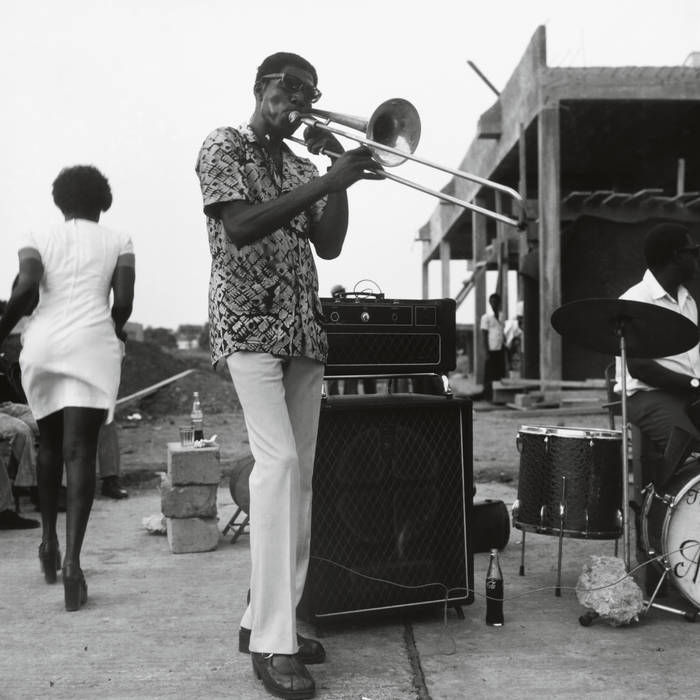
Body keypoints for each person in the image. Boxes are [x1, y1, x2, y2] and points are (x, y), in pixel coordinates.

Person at [196, 52, 381, 699]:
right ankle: (274, 643)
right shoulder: (224, 145)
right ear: (260, 88)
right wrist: (325, 180)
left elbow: (328, 244)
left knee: (299, 481)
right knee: (275, 470)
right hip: (247, 327)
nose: (300, 100)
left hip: (303, 333)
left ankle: (270, 618)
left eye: (310, 93)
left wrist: (340, 180)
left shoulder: (303, 167)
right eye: (290, 88)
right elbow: (241, 226)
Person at [0, 165, 135, 611]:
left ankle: (47, 544)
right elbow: (124, 301)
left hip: (44, 344)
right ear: (103, 201)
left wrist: (2, 329)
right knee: (81, 452)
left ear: (59, 200)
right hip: (93, 345)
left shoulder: (36, 236)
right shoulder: (119, 240)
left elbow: (26, 288)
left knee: (50, 446)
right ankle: (73, 565)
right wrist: (113, 327)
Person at [615, 222, 700, 485]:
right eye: (693, 252)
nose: (696, 258)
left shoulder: (687, 299)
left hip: (687, 392)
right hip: (647, 396)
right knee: (693, 450)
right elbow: (640, 367)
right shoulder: (636, 300)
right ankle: (660, 502)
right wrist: (694, 384)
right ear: (676, 256)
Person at [480, 292, 507, 401]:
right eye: (492, 302)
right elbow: (484, 335)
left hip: (500, 348)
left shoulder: (502, 316)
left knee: (500, 372)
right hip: (491, 349)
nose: (494, 304)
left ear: (499, 303)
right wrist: (486, 351)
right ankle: (488, 395)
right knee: (490, 373)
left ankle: (498, 395)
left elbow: (502, 332)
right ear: (489, 303)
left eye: (496, 302)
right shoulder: (486, 317)